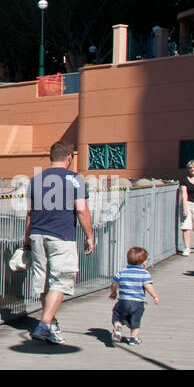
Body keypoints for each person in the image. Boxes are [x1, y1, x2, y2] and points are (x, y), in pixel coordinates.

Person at [25, 140, 95, 345]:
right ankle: (44, 325)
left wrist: (26, 239)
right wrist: (89, 235)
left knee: (44, 281)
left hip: (37, 234)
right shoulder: (75, 179)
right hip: (61, 236)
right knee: (61, 281)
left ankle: (50, 323)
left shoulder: (35, 180)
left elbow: (29, 213)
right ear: (69, 157)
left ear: (50, 157)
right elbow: (81, 209)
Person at [109, 247, 161, 346]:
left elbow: (114, 284)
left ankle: (118, 327)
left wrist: (113, 293)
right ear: (144, 263)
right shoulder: (144, 274)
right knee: (135, 321)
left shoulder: (121, 272)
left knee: (117, 316)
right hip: (138, 302)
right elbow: (148, 286)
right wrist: (155, 296)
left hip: (123, 301)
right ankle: (133, 339)